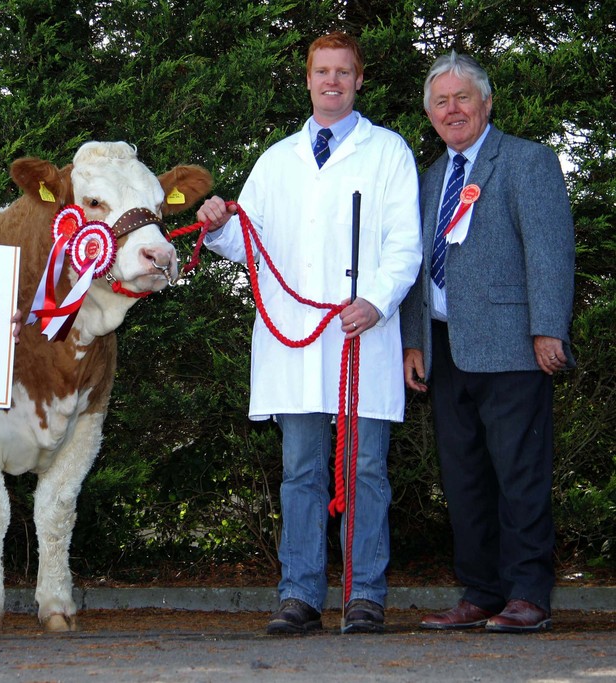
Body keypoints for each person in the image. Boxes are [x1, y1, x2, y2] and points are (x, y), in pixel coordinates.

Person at [197, 32, 421, 635]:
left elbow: (406, 242)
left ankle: (363, 595)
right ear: (307, 78)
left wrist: (375, 302)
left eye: (343, 72)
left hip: (360, 336)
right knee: (301, 470)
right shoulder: (276, 160)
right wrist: (219, 225)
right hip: (295, 338)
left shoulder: (389, 152)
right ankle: (299, 594)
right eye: (322, 70)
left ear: (359, 79)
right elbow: (252, 244)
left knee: (366, 470)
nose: (332, 81)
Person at [401, 52, 575, 633]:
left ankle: (529, 592)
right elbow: (414, 269)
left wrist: (548, 327)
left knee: (519, 472)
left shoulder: (526, 161)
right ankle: (479, 592)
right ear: (430, 114)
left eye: (462, 98)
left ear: (486, 103)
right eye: (441, 102)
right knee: (463, 475)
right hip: (445, 350)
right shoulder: (427, 180)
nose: (452, 110)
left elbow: (550, 251)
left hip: (513, 347)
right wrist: (414, 340)